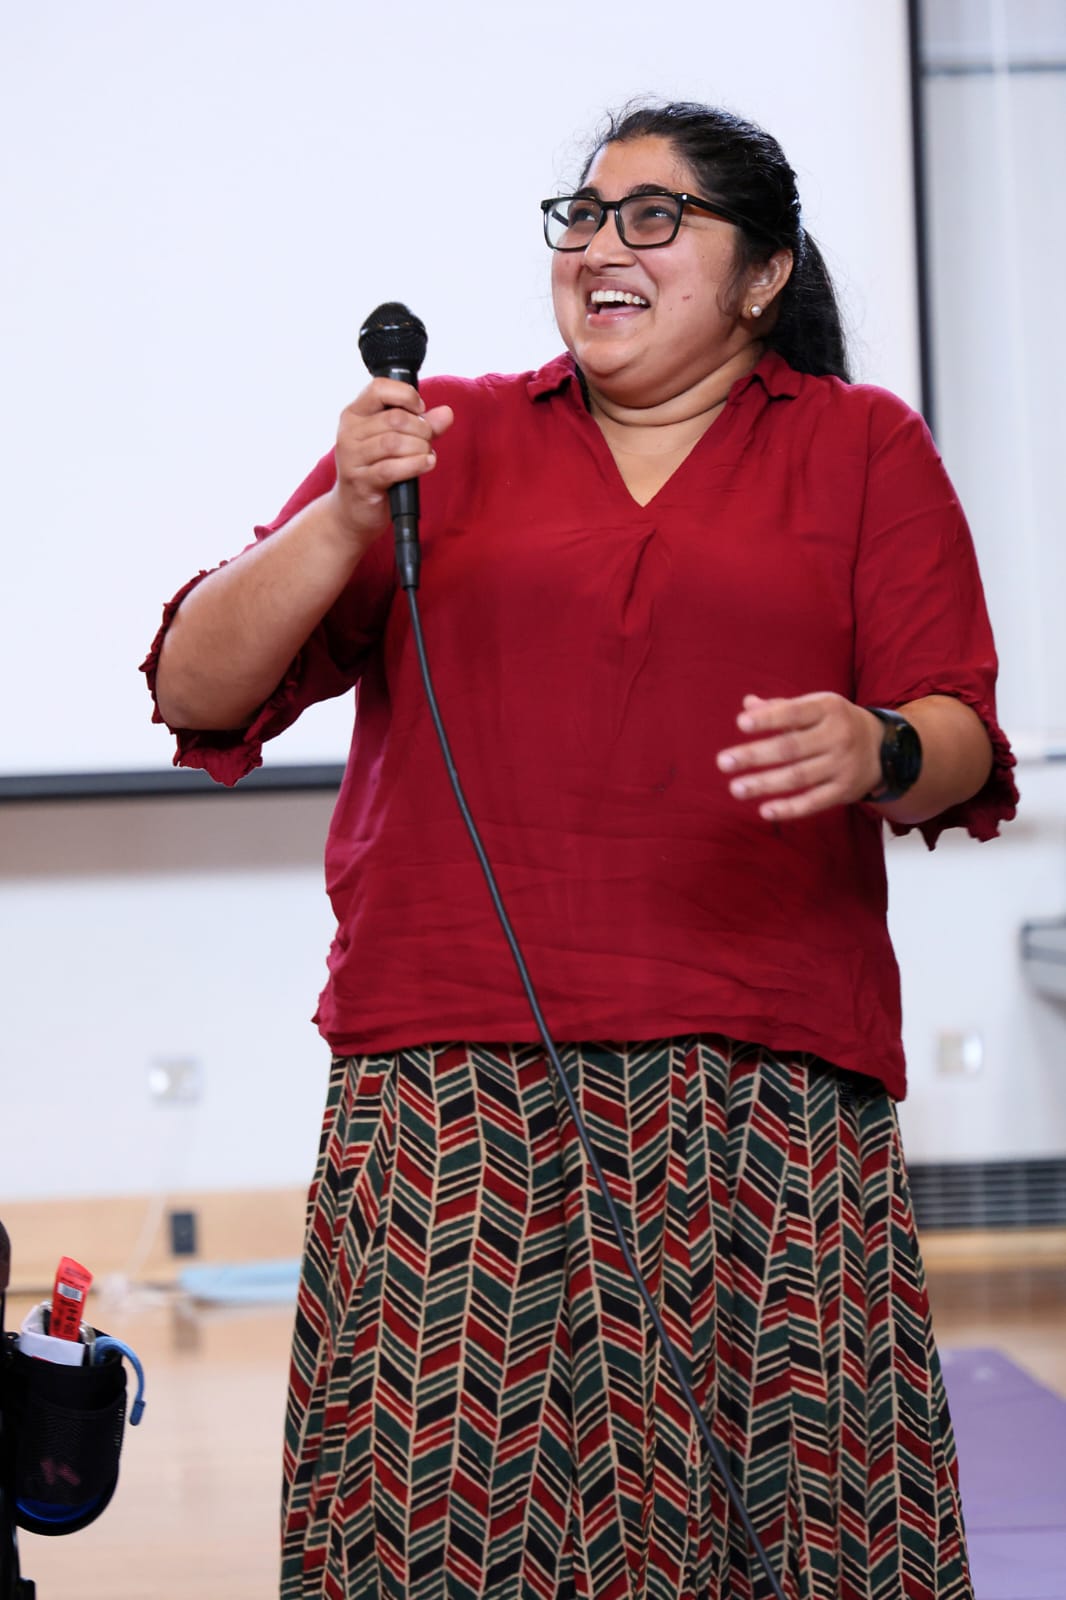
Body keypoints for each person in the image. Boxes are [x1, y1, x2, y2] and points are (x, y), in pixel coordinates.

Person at [144, 100, 1017, 1600]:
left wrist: (873, 743)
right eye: (584, 215)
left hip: (762, 1078)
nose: (602, 246)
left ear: (761, 273)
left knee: (791, 1530)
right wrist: (344, 514)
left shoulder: (859, 446)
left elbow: (962, 737)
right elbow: (195, 687)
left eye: (654, 216)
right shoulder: (443, 438)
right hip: (449, 1078)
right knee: (439, 1533)